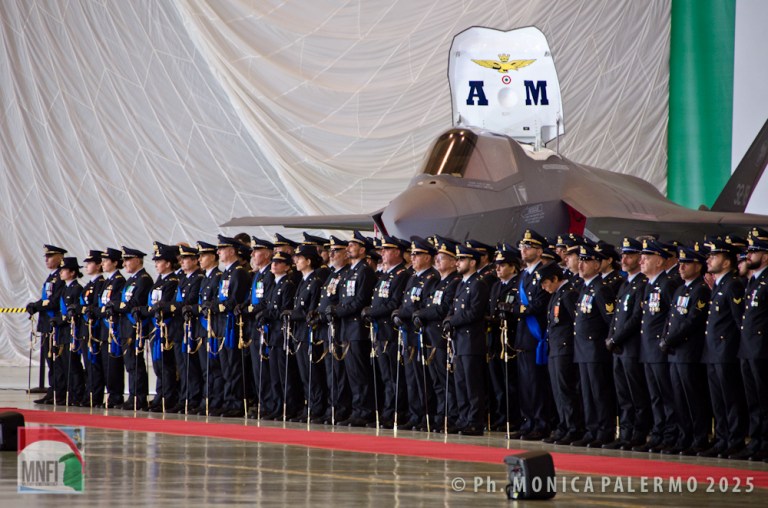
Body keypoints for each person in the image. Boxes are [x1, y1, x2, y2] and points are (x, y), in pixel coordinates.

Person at [698, 238, 747, 458]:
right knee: (718, 400)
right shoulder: (719, 285)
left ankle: (734, 440)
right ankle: (722, 438)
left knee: (730, 399)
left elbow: (739, 322)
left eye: (714, 256)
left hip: (726, 352)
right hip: (713, 351)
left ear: (726, 262)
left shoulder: (733, 285)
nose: (709, 260)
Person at [660, 244, 711, 455]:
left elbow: (692, 320)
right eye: (680, 263)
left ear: (698, 266)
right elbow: (671, 318)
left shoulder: (701, 289)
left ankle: (699, 438)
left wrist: (670, 340)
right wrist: (665, 337)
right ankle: (684, 436)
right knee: (679, 398)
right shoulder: (681, 288)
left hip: (688, 352)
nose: (681, 267)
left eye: (686, 263)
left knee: (693, 397)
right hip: (675, 353)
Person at [634, 240, 682, 452]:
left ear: (660, 261)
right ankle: (658, 432)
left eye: (647, 257)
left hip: (660, 349)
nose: (641, 261)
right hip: (648, 349)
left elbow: (673, 317)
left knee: (666, 395)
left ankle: (670, 434)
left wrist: (665, 340)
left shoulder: (667, 284)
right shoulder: (650, 285)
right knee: (654, 396)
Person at [325, 231, 377, 427]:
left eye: (353, 245)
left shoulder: (364, 271)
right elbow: (343, 298)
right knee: (351, 374)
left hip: (357, 329)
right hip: (346, 328)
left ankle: (364, 410)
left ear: (362, 250)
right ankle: (356, 409)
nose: (348, 248)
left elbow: (360, 300)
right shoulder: (349, 272)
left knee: (359, 373)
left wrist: (338, 310)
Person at [604, 238, 650, 450]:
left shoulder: (642, 284)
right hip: (618, 348)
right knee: (623, 394)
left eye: (629, 256)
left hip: (631, 347)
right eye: (623, 255)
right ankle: (625, 432)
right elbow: (616, 316)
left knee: (636, 393)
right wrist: (611, 336)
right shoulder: (625, 284)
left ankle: (638, 433)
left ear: (639, 258)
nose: (623, 259)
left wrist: (616, 338)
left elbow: (635, 317)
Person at [413, 237, 461, 433]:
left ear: (453, 262)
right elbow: (427, 304)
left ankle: (451, 416)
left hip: (441, 338)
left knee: (446, 380)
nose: (437, 260)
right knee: (436, 382)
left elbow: (443, 309)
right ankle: (441, 416)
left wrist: (421, 313)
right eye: (438, 257)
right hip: (430, 337)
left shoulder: (454, 282)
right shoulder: (436, 283)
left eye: (443, 257)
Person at [361, 235, 410, 429]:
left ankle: (395, 412)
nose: (382, 253)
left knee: (393, 376)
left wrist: (371, 311)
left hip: (391, 332)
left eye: (386, 250)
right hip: (380, 332)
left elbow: (393, 303)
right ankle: (387, 411)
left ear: (397, 252)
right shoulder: (386, 275)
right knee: (386, 376)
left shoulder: (401, 275)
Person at [392, 236, 440, 430]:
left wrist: (402, 313)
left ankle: (427, 415)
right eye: (411, 254)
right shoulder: (413, 277)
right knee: (411, 378)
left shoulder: (431, 278)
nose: (412, 257)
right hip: (408, 334)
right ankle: (415, 414)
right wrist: (399, 312)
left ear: (427, 257)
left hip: (421, 333)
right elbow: (406, 303)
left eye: (417, 254)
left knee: (423, 378)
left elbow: (422, 306)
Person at [571, 245, 616, 447]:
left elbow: (610, 320)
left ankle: (604, 431)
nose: (581, 264)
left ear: (597, 265)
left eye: (586, 261)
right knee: (587, 393)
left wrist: (607, 342)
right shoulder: (585, 287)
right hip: (583, 349)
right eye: (580, 260)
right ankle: (591, 429)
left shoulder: (601, 288)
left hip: (596, 349)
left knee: (599, 392)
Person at [444, 243, 490, 436]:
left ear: (472, 262)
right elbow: (454, 309)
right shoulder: (462, 283)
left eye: (462, 259)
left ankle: (474, 421)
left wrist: (452, 320)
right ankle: (463, 419)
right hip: (460, 341)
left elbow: (474, 312)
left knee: (473, 385)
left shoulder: (478, 283)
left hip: (472, 342)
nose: (458, 262)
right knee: (461, 384)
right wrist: (448, 319)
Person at [513, 229, 552, 439]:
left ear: (539, 251)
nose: (524, 250)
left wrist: (519, 309)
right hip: (523, 336)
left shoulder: (543, 273)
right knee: (525, 384)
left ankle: (540, 423)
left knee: (536, 383)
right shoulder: (524, 275)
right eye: (522, 246)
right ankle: (527, 421)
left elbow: (539, 304)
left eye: (528, 247)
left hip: (535, 335)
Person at [732, 228, 768, 461]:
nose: (748, 256)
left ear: (765, 255)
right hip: (748, 347)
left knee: (764, 399)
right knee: (753, 399)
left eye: (753, 252)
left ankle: (765, 443)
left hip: (762, 348)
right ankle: (756, 441)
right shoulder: (753, 281)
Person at [539, 261, 581, 444]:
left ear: (555, 278)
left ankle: (573, 427)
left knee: (566, 389)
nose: (543, 287)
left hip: (565, 348)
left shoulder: (569, 293)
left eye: (545, 282)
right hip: (555, 348)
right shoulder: (557, 294)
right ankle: (563, 425)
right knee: (557, 390)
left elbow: (576, 323)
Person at [312, 235, 352, 424]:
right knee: (331, 372)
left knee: (338, 372)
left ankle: (340, 408)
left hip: (339, 328)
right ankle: (332, 406)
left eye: (336, 251)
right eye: (331, 251)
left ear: (346, 253)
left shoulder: (346, 274)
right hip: (327, 328)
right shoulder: (333, 274)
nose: (332, 254)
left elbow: (342, 302)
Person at [286, 245, 327, 422]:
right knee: (305, 374)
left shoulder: (315, 282)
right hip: (300, 333)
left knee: (313, 373)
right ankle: (309, 405)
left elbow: (311, 311)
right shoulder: (304, 281)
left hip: (309, 333)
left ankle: (316, 407)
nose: (296, 261)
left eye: (300, 258)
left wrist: (293, 314)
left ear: (308, 261)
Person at [183, 241, 223, 416]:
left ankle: (215, 401)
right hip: (203, 327)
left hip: (212, 327)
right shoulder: (206, 277)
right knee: (206, 369)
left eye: (203, 256)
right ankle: (206, 400)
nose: (200, 259)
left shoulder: (218, 276)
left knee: (214, 368)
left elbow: (215, 301)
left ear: (213, 257)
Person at [213, 235, 251, 418]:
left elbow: (234, 299)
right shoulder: (227, 273)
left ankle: (236, 402)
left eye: (222, 249)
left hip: (234, 325)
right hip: (223, 324)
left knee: (234, 365)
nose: (218, 252)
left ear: (231, 251)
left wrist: (219, 306)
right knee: (226, 366)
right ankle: (228, 400)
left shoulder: (238, 272)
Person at [487, 245, 522, 432]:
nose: (498, 268)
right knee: (498, 382)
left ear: (512, 266)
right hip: (496, 339)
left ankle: (513, 417)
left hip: (511, 339)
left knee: (511, 381)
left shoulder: (518, 285)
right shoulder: (496, 286)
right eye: (497, 265)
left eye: (502, 265)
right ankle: (501, 416)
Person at [27, 244, 67, 404]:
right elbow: (46, 298)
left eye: (50, 256)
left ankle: (58, 391)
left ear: (60, 258)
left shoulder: (60, 277)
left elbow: (55, 301)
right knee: (50, 360)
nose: (46, 259)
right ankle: (52, 390)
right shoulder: (51, 277)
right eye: (46, 257)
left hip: (54, 323)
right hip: (46, 323)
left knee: (56, 360)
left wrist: (37, 306)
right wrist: (35, 305)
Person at [167, 245, 205, 414]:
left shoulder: (198, 278)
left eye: (186, 259)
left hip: (191, 328)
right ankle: (184, 398)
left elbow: (189, 301)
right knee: (182, 367)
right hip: (179, 328)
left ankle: (193, 398)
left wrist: (170, 306)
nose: (182, 262)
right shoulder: (183, 278)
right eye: (181, 259)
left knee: (191, 366)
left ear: (195, 260)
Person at [243, 236, 276, 419]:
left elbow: (266, 302)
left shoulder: (270, 274)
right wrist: (244, 306)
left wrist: (251, 309)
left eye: (257, 251)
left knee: (265, 368)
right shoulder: (258, 275)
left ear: (267, 254)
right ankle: (262, 402)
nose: (253, 255)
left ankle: (269, 404)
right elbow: (252, 298)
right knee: (258, 369)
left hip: (266, 327)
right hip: (255, 327)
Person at [117, 247, 154, 411]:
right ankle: (133, 395)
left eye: (128, 260)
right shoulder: (131, 280)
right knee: (130, 364)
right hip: (126, 327)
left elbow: (135, 303)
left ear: (138, 260)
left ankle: (139, 397)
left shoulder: (143, 279)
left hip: (135, 327)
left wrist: (118, 306)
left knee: (136, 363)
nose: (125, 263)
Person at [96, 248, 126, 408]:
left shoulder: (119, 280)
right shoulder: (108, 281)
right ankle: (110, 395)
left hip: (113, 327)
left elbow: (113, 303)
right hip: (104, 327)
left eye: (106, 261)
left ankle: (116, 396)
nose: (103, 264)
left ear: (115, 262)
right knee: (106, 364)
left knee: (113, 365)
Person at [54, 257, 84, 406]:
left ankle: (77, 394)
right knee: (64, 364)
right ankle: (68, 393)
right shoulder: (64, 288)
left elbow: (74, 312)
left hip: (72, 331)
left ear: (72, 272)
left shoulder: (77, 289)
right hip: (63, 331)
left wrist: (62, 320)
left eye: (64, 270)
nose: (61, 272)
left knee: (73, 365)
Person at [77, 250, 105, 407]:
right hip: (85, 327)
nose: (87, 266)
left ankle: (95, 395)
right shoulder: (90, 284)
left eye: (90, 263)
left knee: (94, 364)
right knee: (88, 364)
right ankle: (89, 393)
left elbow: (95, 305)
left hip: (94, 328)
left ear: (98, 265)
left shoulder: (100, 283)